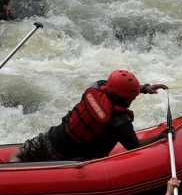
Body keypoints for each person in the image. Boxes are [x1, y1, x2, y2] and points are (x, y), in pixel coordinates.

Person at [9, 69, 169, 162]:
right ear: (121, 96)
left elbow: (118, 87)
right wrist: (160, 135)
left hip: (54, 139)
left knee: (16, 156)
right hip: (78, 156)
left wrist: (144, 88)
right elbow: (133, 145)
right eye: (132, 96)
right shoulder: (120, 120)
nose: (133, 98)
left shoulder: (98, 86)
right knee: (16, 155)